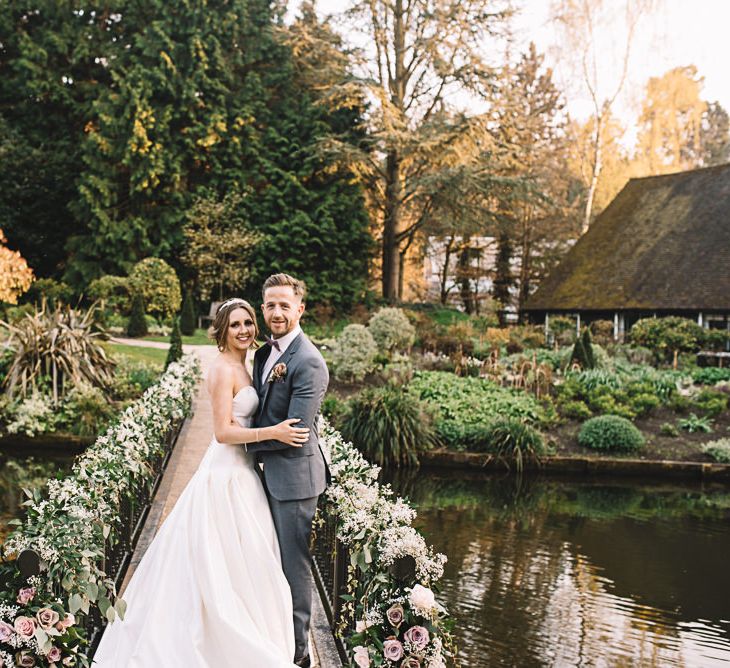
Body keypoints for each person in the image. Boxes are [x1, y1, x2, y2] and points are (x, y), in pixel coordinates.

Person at [93, 298, 308, 668]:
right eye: (235, 325)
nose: (244, 330)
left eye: (247, 323)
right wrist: (273, 432)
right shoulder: (223, 370)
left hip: (244, 472)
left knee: (251, 557)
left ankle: (256, 628)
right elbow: (223, 432)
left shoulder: (249, 363)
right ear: (221, 331)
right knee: (219, 558)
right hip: (224, 473)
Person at [246, 273, 330, 668]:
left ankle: (299, 655)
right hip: (265, 475)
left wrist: (235, 442)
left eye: (284, 305)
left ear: (300, 309)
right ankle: (271, 634)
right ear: (262, 308)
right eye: (270, 305)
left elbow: (293, 432)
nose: (276, 312)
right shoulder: (266, 354)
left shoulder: (309, 361)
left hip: (295, 480)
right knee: (265, 558)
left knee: (293, 565)